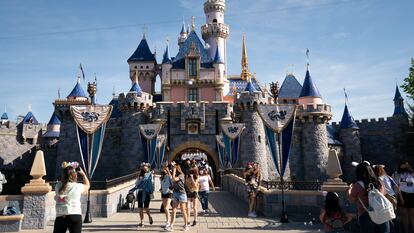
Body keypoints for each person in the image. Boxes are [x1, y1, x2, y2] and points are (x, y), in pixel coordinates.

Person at [348, 162, 390, 233]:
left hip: (366, 214)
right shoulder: (378, 183)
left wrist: (349, 190)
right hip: (382, 213)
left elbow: (352, 200)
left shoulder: (358, 185)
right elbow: (384, 195)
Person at [53, 162, 90, 233]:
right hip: (75, 215)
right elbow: (88, 186)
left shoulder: (58, 186)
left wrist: (66, 169)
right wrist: (83, 175)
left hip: (61, 216)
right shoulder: (78, 186)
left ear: (63, 175)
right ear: (75, 175)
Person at [129, 163, 154, 228]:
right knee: (140, 208)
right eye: (143, 168)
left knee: (146, 208)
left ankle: (149, 216)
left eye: (145, 168)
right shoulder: (140, 176)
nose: (144, 169)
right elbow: (136, 184)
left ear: (148, 169)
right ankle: (142, 222)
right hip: (140, 192)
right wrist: (139, 179)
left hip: (146, 193)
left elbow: (147, 180)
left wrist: (148, 173)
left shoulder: (150, 176)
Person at [166, 163, 188, 232]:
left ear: (177, 169)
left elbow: (175, 179)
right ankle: (171, 225)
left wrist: (174, 171)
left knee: (183, 210)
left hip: (182, 194)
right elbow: (172, 180)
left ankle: (186, 225)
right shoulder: (175, 175)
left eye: (174, 169)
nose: (173, 170)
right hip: (175, 193)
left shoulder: (181, 175)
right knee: (173, 210)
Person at [392, 161, 414, 233]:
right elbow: (395, 186)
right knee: (406, 216)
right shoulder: (396, 174)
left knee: (410, 215)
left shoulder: (412, 173)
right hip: (403, 195)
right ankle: (407, 231)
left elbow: (394, 186)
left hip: (408, 195)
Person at [160, 165, 173, 230]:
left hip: (168, 193)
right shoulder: (161, 178)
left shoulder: (169, 177)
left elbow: (172, 183)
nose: (164, 171)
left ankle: (168, 222)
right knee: (165, 209)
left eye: (165, 170)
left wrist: (167, 170)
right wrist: (161, 189)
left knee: (166, 208)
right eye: (163, 170)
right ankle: (167, 221)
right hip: (163, 193)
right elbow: (162, 185)